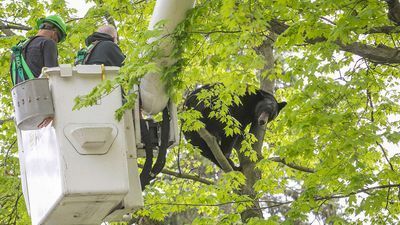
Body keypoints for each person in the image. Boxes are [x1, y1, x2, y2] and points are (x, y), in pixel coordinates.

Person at [10, 15, 67, 128]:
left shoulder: (16, 51)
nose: (54, 42)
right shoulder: (47, 43)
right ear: (54, 32)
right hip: (42, 105)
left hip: (23, 109)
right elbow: (53, 77)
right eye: (56, 39)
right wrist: (54, 111)